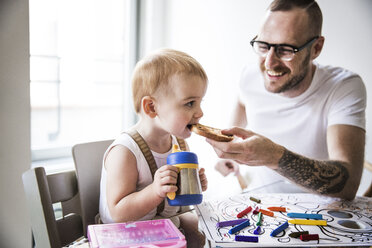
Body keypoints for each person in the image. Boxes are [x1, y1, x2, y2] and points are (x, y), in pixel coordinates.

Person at [209, 0, 366, 200]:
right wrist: (230, 147)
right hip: (258, 202)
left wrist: (274, 156)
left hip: (320, 215)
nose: (269, 63)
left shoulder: (343, 87)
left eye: (285, 49)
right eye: (263, 46)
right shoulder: (249, 76)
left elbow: (348, 183)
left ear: (316, 48)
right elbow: (243, 101)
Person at [99, 49, 208, 247]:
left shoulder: (180, 145)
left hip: (163, 229)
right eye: (190, 103)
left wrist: (192, 186)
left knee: (206, 232)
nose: (200, 112)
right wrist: (155, 191)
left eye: (200, 102)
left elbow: (175, 204)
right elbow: (118, 212)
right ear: (151, 107)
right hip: (125, 237)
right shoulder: (125, 152)